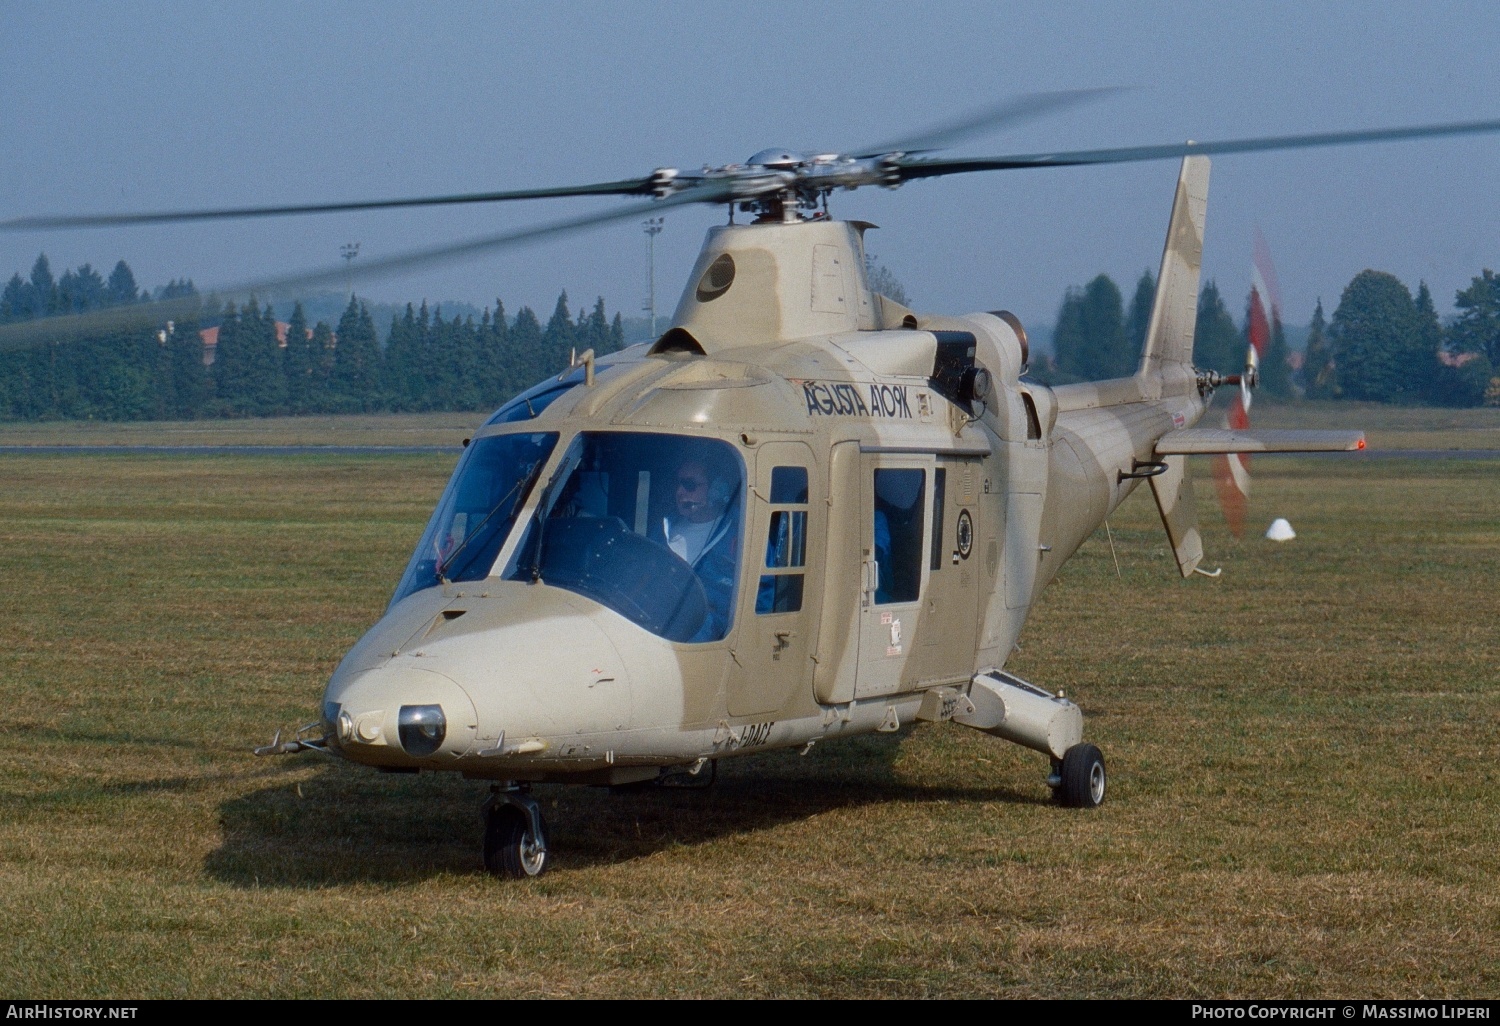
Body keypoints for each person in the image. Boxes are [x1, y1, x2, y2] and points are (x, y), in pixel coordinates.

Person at [663, 456, 740, 640]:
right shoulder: (662, 529)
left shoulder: (740, 532)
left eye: (689, 485)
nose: (680, 492)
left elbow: (761, 594)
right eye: (679, 484)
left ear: (716, 489)